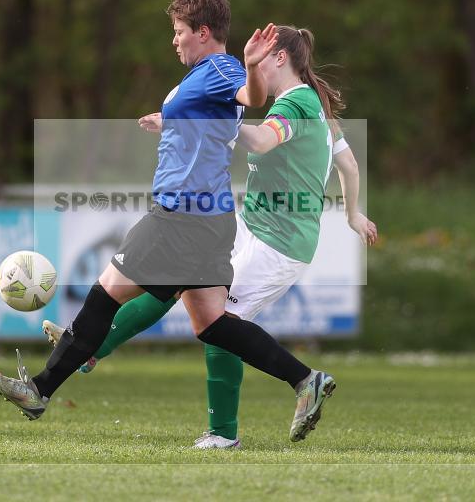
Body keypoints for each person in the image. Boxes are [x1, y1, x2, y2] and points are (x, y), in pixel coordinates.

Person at [0, 0, 337, 443]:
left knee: (104, 296)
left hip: (181, 214)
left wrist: (250, 66)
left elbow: (249, 96)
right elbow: (215, 124)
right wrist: (170, 121)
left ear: (203, 33)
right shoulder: (200, 77)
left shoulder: (222, 68)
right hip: (208, 217)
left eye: (179, 32)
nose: (174, 40)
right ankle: (305, 380)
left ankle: (40, 389)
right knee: (213, 324)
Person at [44, 26, 377, 449]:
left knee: (220, 323)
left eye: (260, 58)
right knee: (180, 283)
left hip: (278, 243)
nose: (252, 69)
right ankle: (93, 345)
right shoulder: (316, 106)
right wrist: (352, 213)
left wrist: (200, 119)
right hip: (254, 229)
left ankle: (227, 431)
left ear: (279, 59)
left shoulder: (296, 103)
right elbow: (349, 166)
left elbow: (260, 141)